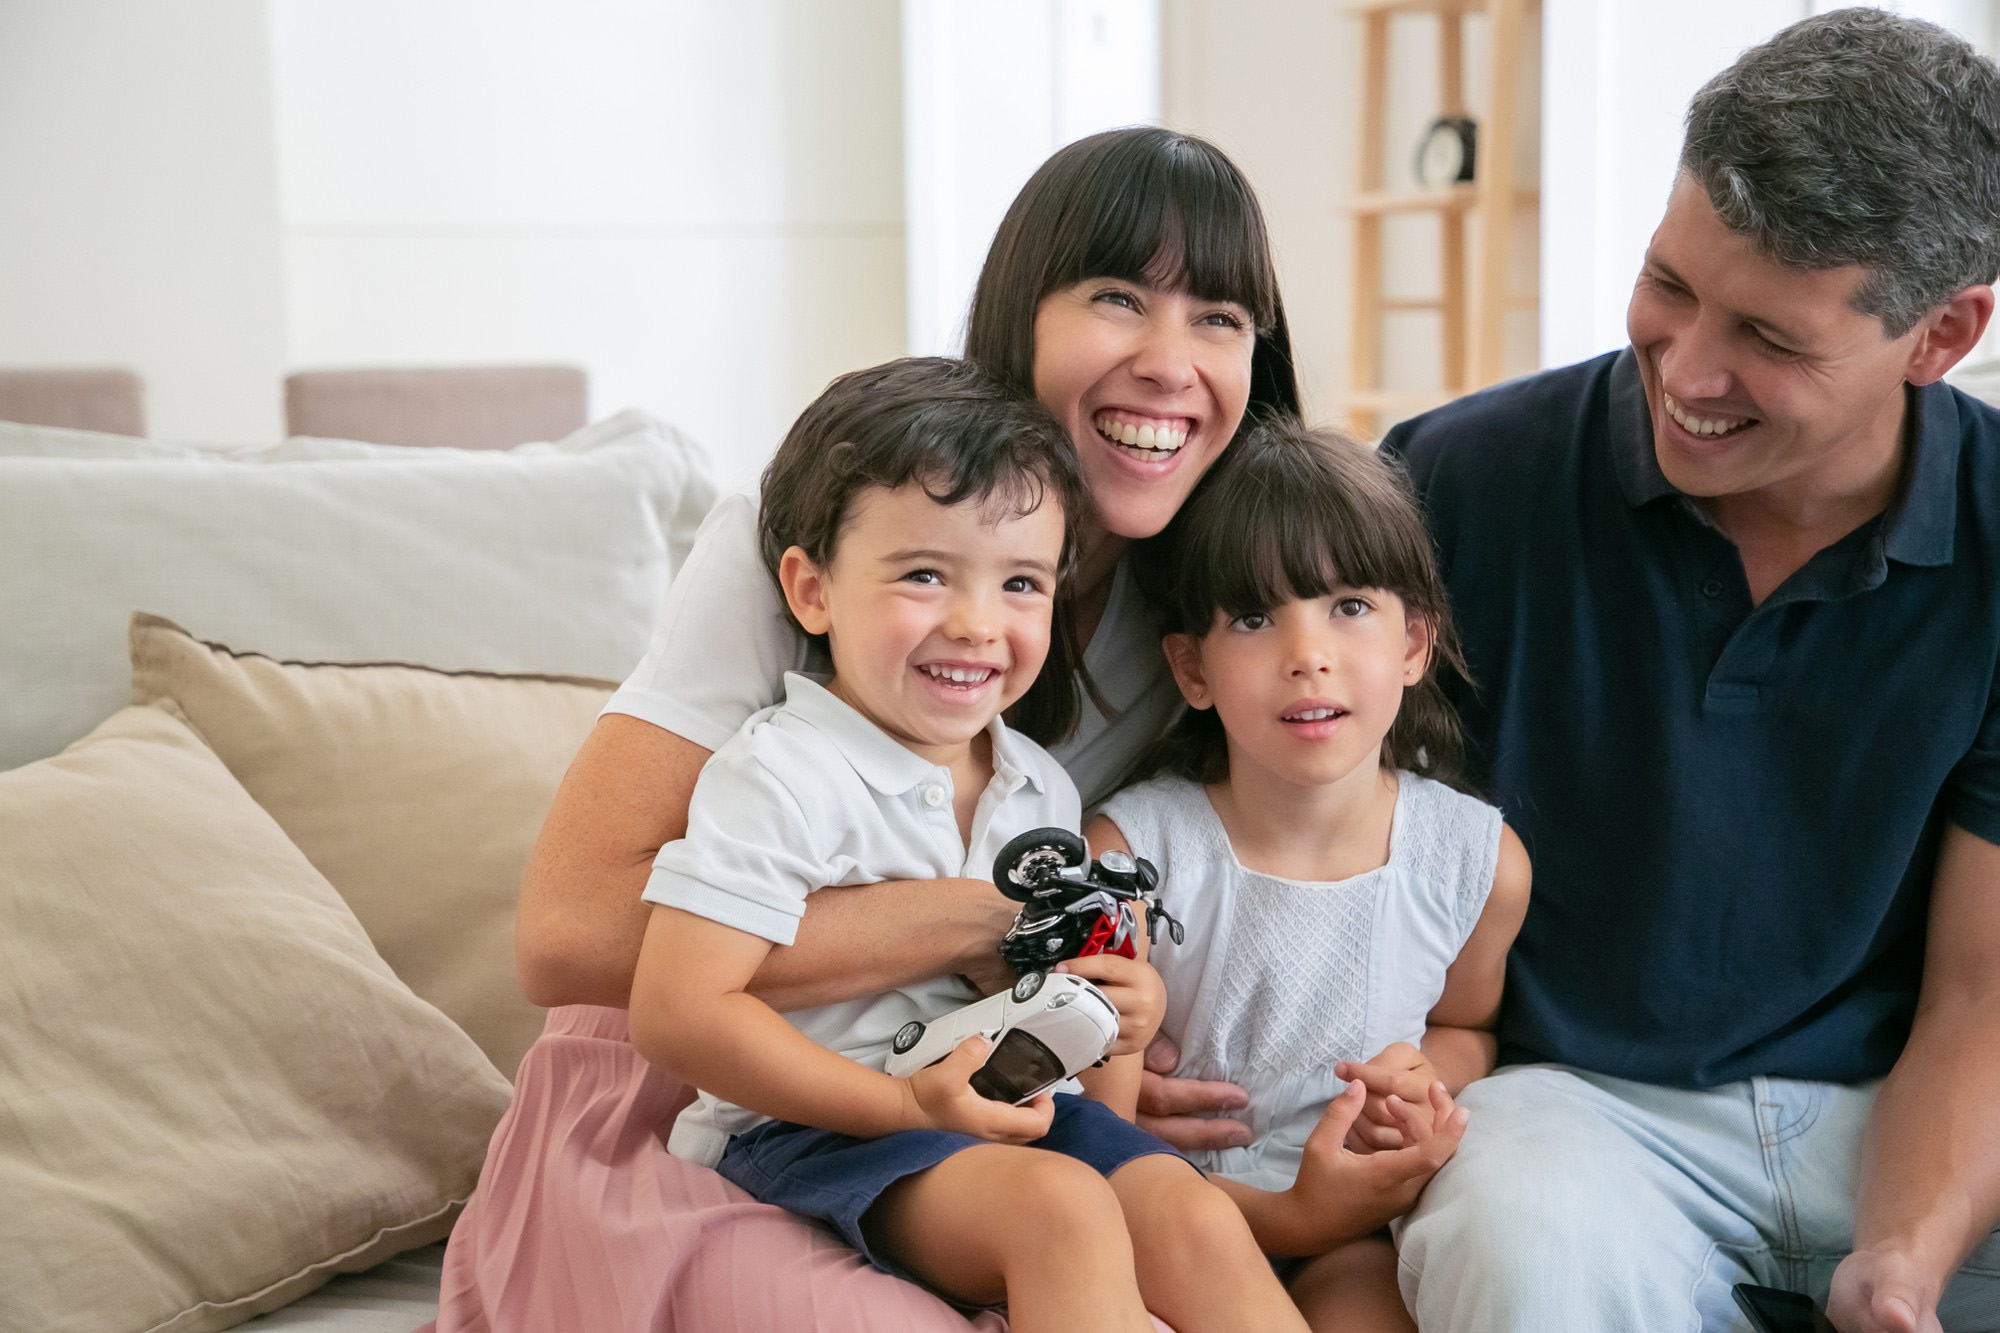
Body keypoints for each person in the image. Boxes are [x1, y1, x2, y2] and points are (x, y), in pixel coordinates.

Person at [1138, 12, 2000, 1332]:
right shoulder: (1454, 489)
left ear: (1940, 337)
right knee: (1520, 1245)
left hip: (1905, 1102)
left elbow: (1979, 990)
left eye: (1769, 339)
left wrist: (1904, 1260)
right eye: (1670, 283)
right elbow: (1249, 783)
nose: (1689, 370)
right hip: (1574, 1103)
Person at [432, 126, 1303, 1331]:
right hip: (716, 1086)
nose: (1170, 361)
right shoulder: (827, 530)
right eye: (1116, 297)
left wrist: (1112, 1024)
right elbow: (569, 937)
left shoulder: (1203, 613)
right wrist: (989, 922)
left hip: (979, 1079)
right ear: (1022, 314)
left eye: (1220, 317)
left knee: (1174, 1227)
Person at [627, 356, 1306, 1333]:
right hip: (814, 1125)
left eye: (1019, 582)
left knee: (1189, 1213)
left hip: (995, 1098)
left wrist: (1112, 1011)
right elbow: (676, 1012)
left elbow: (1083, 1084)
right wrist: (899, 1108)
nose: (976, 623)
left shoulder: (1038, 785)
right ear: (812, 591)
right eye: (923, 574)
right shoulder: (783, 772)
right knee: (1060, 1212)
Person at [1088, 420, 1528, 1331]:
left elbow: (1467, 1022)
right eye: (1255, 617)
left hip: (1354, 1229)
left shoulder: (1474, 861)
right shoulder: (1128, 856)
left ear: (1414, 644)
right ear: (1192, 667)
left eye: (1349, 606)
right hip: (1162, 1212)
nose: (1307, 653)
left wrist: (1422, 1077)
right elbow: (1089, 1124)